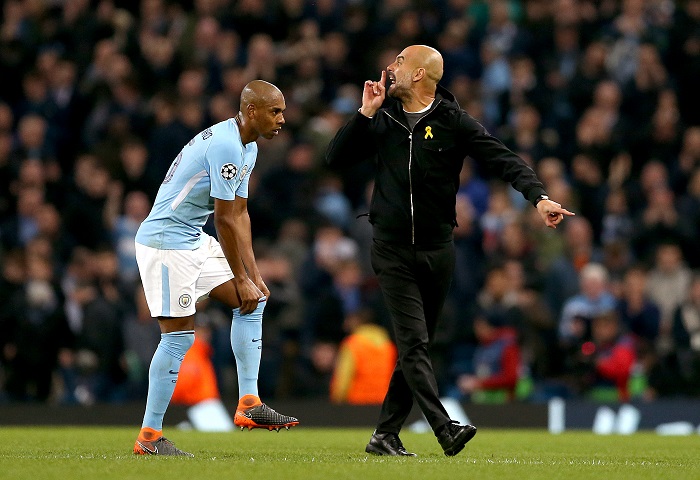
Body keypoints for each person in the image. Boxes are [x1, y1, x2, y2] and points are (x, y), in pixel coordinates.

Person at [325, 44, 574, 457]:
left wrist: (539, 197)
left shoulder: (453, 121)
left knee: (416, 346)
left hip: (437, 247)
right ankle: (444, 428)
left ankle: (385, 434)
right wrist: (364, 112)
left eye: (400, 62)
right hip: (390, 247)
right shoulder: (382, 115)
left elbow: (504, 159)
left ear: (420, 74)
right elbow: (334, 159)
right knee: (415, 341)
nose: (391, 67)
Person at [132, 80, 298, 457]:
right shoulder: (225, 144)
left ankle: (249, 404)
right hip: (166, 241)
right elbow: (223, 219)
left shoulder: (248, 146)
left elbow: (240, 213)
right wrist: (240, 276)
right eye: (275, 111)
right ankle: (150, 437)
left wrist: (253, 275)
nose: (282, 119)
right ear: (251, 110)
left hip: (191, 236)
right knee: (178, 338)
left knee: (252, 300)